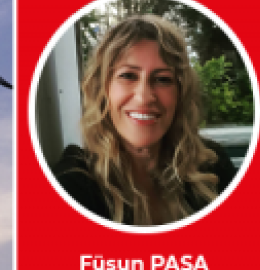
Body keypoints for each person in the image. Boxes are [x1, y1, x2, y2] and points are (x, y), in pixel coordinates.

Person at [53, 14, 237, 226]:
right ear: (103, 90)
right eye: (128, 76)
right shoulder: (73, 183)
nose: (144, 97)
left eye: (163, 79)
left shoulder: (212, 165)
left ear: (180, 94)